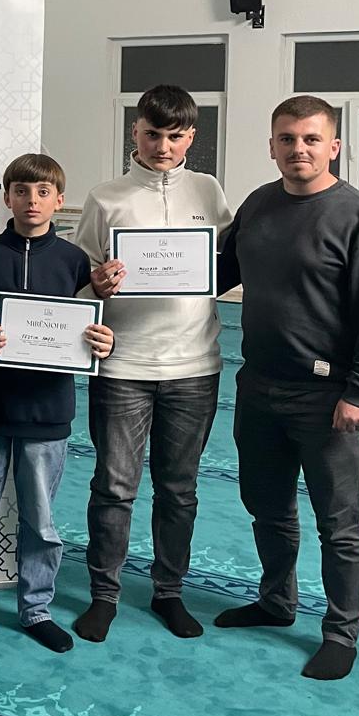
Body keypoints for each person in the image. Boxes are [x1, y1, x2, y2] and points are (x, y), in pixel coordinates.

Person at [213, 95, 359, 681]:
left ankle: (341, 632)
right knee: (267, 508)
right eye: (288, 139)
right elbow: (216, 273)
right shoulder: (257, 205)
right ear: (272, 146)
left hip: (329, 398)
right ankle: (276, 601)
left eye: (312, 139)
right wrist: (137, 275)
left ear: (334, 147)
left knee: (339, 524)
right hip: (259, 387)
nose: (299, 149)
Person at [72, 84, 232, 643]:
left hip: (194, 365)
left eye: (175, 136)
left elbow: (223, 265)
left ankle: (169, 592)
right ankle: (103, 595)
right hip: (123, 367)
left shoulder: (209, 191)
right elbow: (78, 278)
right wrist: (96, 285)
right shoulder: (106, 198)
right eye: (152, 134)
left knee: (179, 489)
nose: (163, 147)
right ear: (134, 132)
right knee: (114, 488)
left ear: (192, 137)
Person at [0, 153, 113, 656]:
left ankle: (36, 608)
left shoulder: (75, 262)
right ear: (7, 197)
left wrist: (103, 343)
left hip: (47, 412)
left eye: (42, 192)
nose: (31, 201)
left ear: (59, 200)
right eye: (21, 191)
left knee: (40, 521)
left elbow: (90, 330)